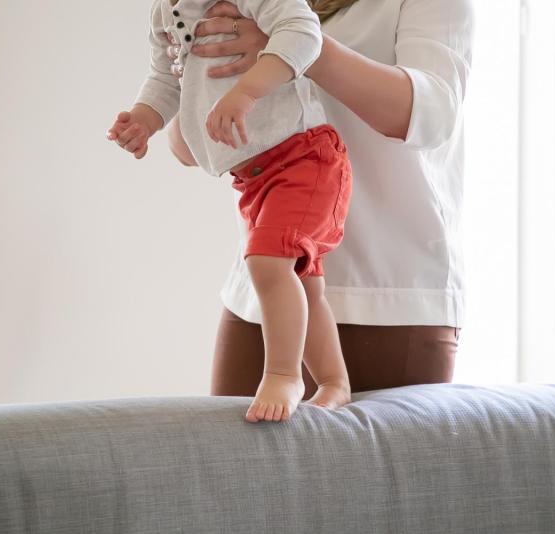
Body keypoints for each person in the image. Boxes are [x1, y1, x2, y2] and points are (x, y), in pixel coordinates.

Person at [168, 0, 473, 411]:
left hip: (385, 297)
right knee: (225, 455)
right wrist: (193, 71)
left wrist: (297, 44)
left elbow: (430, 113)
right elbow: (189, 150)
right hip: (262, 291)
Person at [107, 0, 355, 423]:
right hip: (253, 177)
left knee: (267, 262)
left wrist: (246, 91)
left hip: (304, 158)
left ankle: (283, 375)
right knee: (303, 283)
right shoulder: (164, 11)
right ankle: (334, 381)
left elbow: (303, 32)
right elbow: (166, 77)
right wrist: (144, 119)